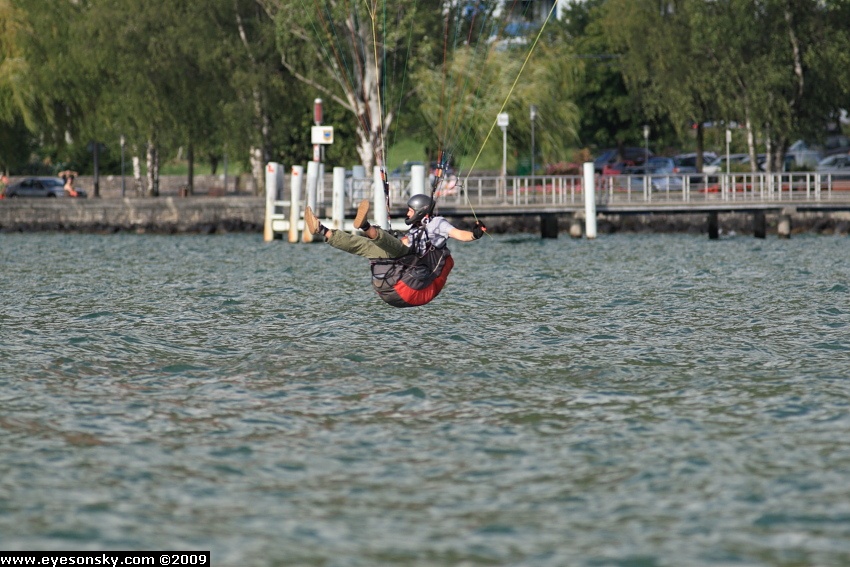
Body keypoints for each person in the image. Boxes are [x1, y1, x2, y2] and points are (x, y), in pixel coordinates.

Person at [305, 195, 486, 307]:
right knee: (367, 247)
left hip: (418, 282)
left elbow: (458, 234)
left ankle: (366, 226)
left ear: (420, 211)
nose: (407, 214)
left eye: (410, 210)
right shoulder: (416, 228)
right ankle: (322, 230)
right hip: (403, 278)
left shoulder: (437, 223)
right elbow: (406, 243)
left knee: (396, 248)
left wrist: (475, 235)